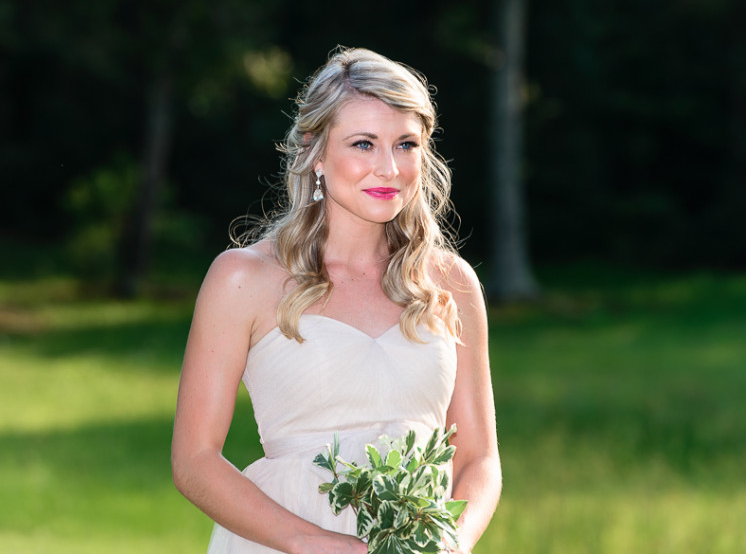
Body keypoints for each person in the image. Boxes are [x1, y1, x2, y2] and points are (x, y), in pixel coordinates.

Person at [171, 47, 501, 554]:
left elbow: (479, 459)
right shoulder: (243, 278)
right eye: (364, 144)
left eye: (406, 144)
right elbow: (194, 460)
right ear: (315, 151)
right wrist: (309, 542)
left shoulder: (450, 283)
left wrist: (452, 543)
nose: (389, 168)